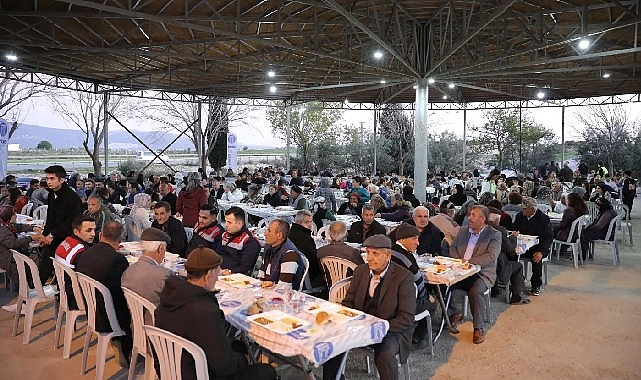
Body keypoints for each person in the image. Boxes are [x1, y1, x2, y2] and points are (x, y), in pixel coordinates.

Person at [155, 247, 277, 380]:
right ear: (208, 275)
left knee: (238, 345)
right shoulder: (204, 311)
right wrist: (245, 360)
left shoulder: (171, 295)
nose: (217, 278)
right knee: (267, 371)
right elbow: (225, 366)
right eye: (217, 274)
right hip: (197, 373)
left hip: (169, 367)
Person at [322, 234, 415, 380]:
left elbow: (406, 318)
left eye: (375, 254)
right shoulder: (361, 271)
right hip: (361, 324)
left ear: (388, 255)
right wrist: (345, 318)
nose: (369, 258)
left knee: (385, 354)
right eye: (368, 253)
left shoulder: (403, 277)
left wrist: (379, 327)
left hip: (390, 329)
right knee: (331, 341)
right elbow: (348, 302)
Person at [74, 221, 132, 367]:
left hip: (92, 310)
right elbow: (122, 294)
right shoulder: (117, 260)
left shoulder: (85, 253)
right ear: (120, 240)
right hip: (108, 317)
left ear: (100, 235)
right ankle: (128, 348)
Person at [448, 205, 501, 344]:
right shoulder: (463, 230)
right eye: (470, 214)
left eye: (473, 215)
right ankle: (452, 312)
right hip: (459, 270)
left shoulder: (494, 234)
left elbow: (491, 255)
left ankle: (479, 328)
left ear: (482, 218)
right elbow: (452, 247)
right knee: (442, 285)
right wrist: (458, 262)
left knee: (475, 291)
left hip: (481, 273)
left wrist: (469, 263)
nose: (469, 218)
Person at [37, 165, 82, 284]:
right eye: (47, 178)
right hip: (53, 237)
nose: (48, 182)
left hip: (66, 239)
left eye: (52, 178)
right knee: (44, 267)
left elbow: (72, 222)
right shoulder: (52, 194)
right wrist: (44, 235)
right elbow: (50, 217)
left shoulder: (72, 197)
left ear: (62, 180)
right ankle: (35, 290)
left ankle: (36, 291)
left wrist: (51, 235)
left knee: (51, 270)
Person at [389, 223, 432, 343]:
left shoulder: (388, 251)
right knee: (431, 304)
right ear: (402, 239)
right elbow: (418, 281)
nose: (417, 243)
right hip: (402, 303)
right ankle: (418, 336)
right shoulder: (407, 258)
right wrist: (427, 296)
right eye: (414, 239)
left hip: (387, 299)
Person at [511, 197, 553, 296]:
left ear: (532, 209)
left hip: (538, 246)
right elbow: (515, 229)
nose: (522, 210)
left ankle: (536, 285)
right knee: (510, 254)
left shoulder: (543, 219)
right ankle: (515, 281)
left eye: (525, 208)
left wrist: (542, 252)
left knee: (536, 258)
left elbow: (548, 238)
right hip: (522, 245)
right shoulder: (520, 216)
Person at [487, 207, 528, 305]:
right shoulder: (499, 230)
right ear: (497, 219)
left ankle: (494, 290)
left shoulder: (480, 227)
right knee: (518, 266)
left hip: (486, 264)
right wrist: (514, 236)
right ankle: (516, 297)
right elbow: (509, 249)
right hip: (498, 265)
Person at [121, 228, 173, 306]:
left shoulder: (127, 271)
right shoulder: (164, 274)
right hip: (155, 316)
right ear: (160, 249)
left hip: (134, 315)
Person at [0, 205, 44, 296]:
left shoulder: (6, 224)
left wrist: (32, 228)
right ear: (8, 217)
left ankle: (32, 284)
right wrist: (31, 238)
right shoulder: (2, 229)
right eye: (14, 215)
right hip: (5, 257)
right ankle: (30, 286)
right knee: (34, 258)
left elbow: (18, 227)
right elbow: (12, 243)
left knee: (33, 255)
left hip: (8, 252)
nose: (16, 216)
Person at [258, 219, 305, 290]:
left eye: (269, 231)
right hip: (267, 289)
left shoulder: (290, 254)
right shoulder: (269, 247)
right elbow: (261, 274)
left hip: (283, 296)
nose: (265, 233)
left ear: (279, 235)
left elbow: (284, 287)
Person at [316, 221, 364, 286]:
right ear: (346, 234)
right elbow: (362, 271)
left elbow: (322, 272)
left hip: (331, 287)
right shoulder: (352, 252)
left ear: (329, 233)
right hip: (351, 288)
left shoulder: (320, 251)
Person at [219, 206, 260, 275]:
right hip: (219, 271)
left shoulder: (249, 241)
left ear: (239, 223)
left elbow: (245, 268)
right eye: (225, 221)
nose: (226, 225)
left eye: (229, 222)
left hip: (235, 277)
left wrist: (229, 271)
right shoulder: (225, 235)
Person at [288, 210, 323, 288]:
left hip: (293, 272)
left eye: (311, 221)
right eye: (306, 222)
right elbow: (313, 261)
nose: (310, 225)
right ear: (298, 222)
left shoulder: (290, 232)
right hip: (305, 277)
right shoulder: (305, 238)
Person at [580, 197, 619, 261]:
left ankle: (582, 255)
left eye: (597, 206)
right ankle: (585, 253)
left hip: (604, 234)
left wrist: (588, 228)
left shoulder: (607, 214)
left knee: (583, 234)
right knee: (584, 232)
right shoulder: (609, 211)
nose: (596, 207)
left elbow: (598, 226)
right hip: (607, 232)